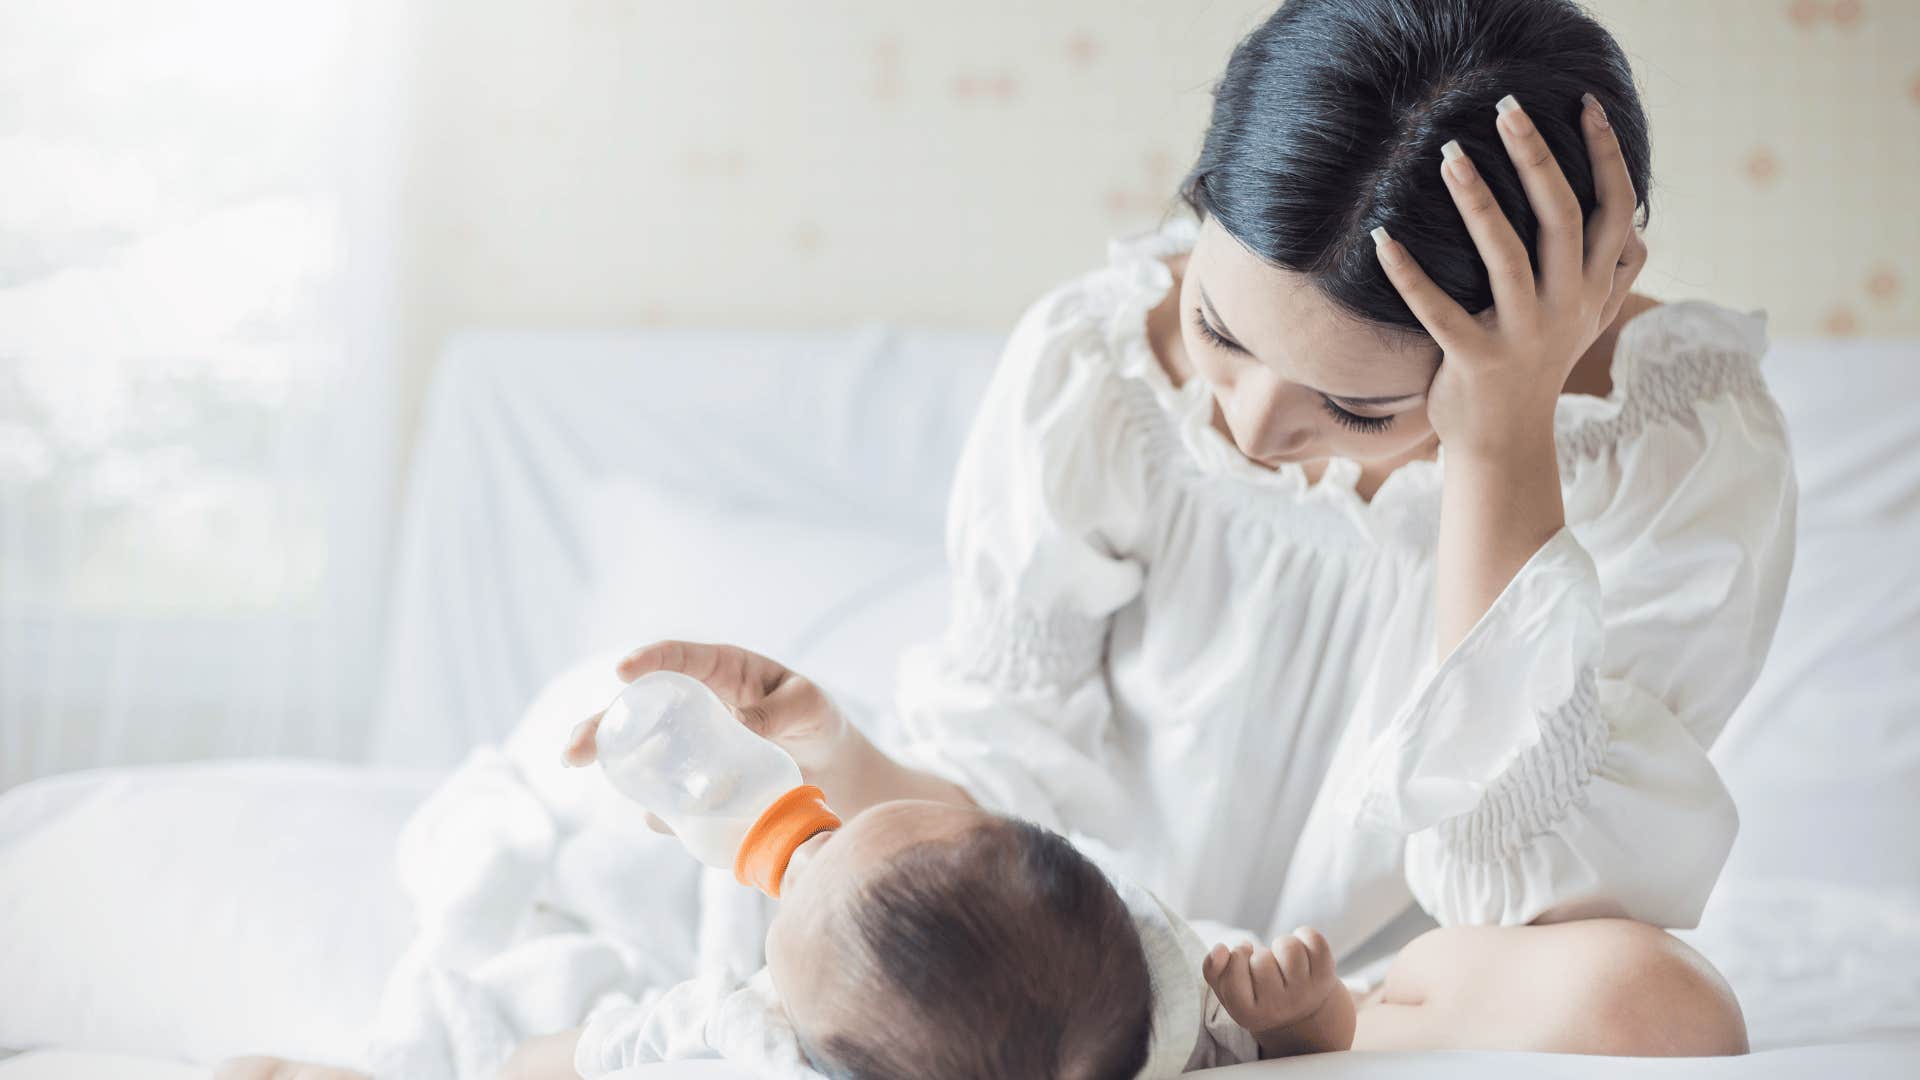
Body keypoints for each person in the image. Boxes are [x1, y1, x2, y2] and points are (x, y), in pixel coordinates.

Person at [224, 0, 1791, 1074]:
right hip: (1067, 931)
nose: (1248, 430)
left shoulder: (1677, 446)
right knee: (759, 937)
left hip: (1387, 992)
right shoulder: (1100, 374)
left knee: (1655, 1001)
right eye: (1223, 331)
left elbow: (1527, 886)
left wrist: (1499, 438)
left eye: (1355, 409)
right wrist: (846, 767)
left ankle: (1248, 1038)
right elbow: (1013, 819)